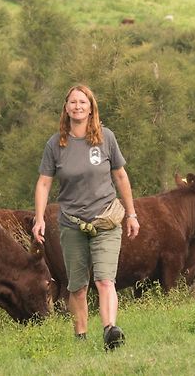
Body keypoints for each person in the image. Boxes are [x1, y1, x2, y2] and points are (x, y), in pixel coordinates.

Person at [32, 84, 140, 351]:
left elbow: (121, 176)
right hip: (71, 223)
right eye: (73, 102)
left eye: (82, 102)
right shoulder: (56, 144)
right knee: (78, 286)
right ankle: (81, 337)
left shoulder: (106, 138)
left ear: (91, 107)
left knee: (105, 279)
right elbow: (44, 183)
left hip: (105, 220)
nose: (77, 106)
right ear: (66, 108)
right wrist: (39, 218)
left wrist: (132, 214)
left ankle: (110, 331)